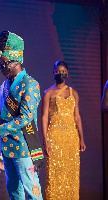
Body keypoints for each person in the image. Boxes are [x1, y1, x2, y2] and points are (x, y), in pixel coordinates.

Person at [0, 31, 44, 200]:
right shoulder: (6, 84)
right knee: (14, 192)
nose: (1, 67)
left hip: (23, 146)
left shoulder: (30, 84)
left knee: (32, 191)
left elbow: (26, 117)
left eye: (4, 63)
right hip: (7, 146)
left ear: (16, 60)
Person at [41, 61, 86, 199]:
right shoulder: (48, 93)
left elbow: (77, 117)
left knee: (71, 173)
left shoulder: (74, 93)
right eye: (58, 71)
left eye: (63, 71)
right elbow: (44, 117)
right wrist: (46, 141)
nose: (61, 74)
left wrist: (81, 139)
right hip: (55, 136)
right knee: (55, 174)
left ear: (67, 72)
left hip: (71, 137)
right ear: (53, 72)